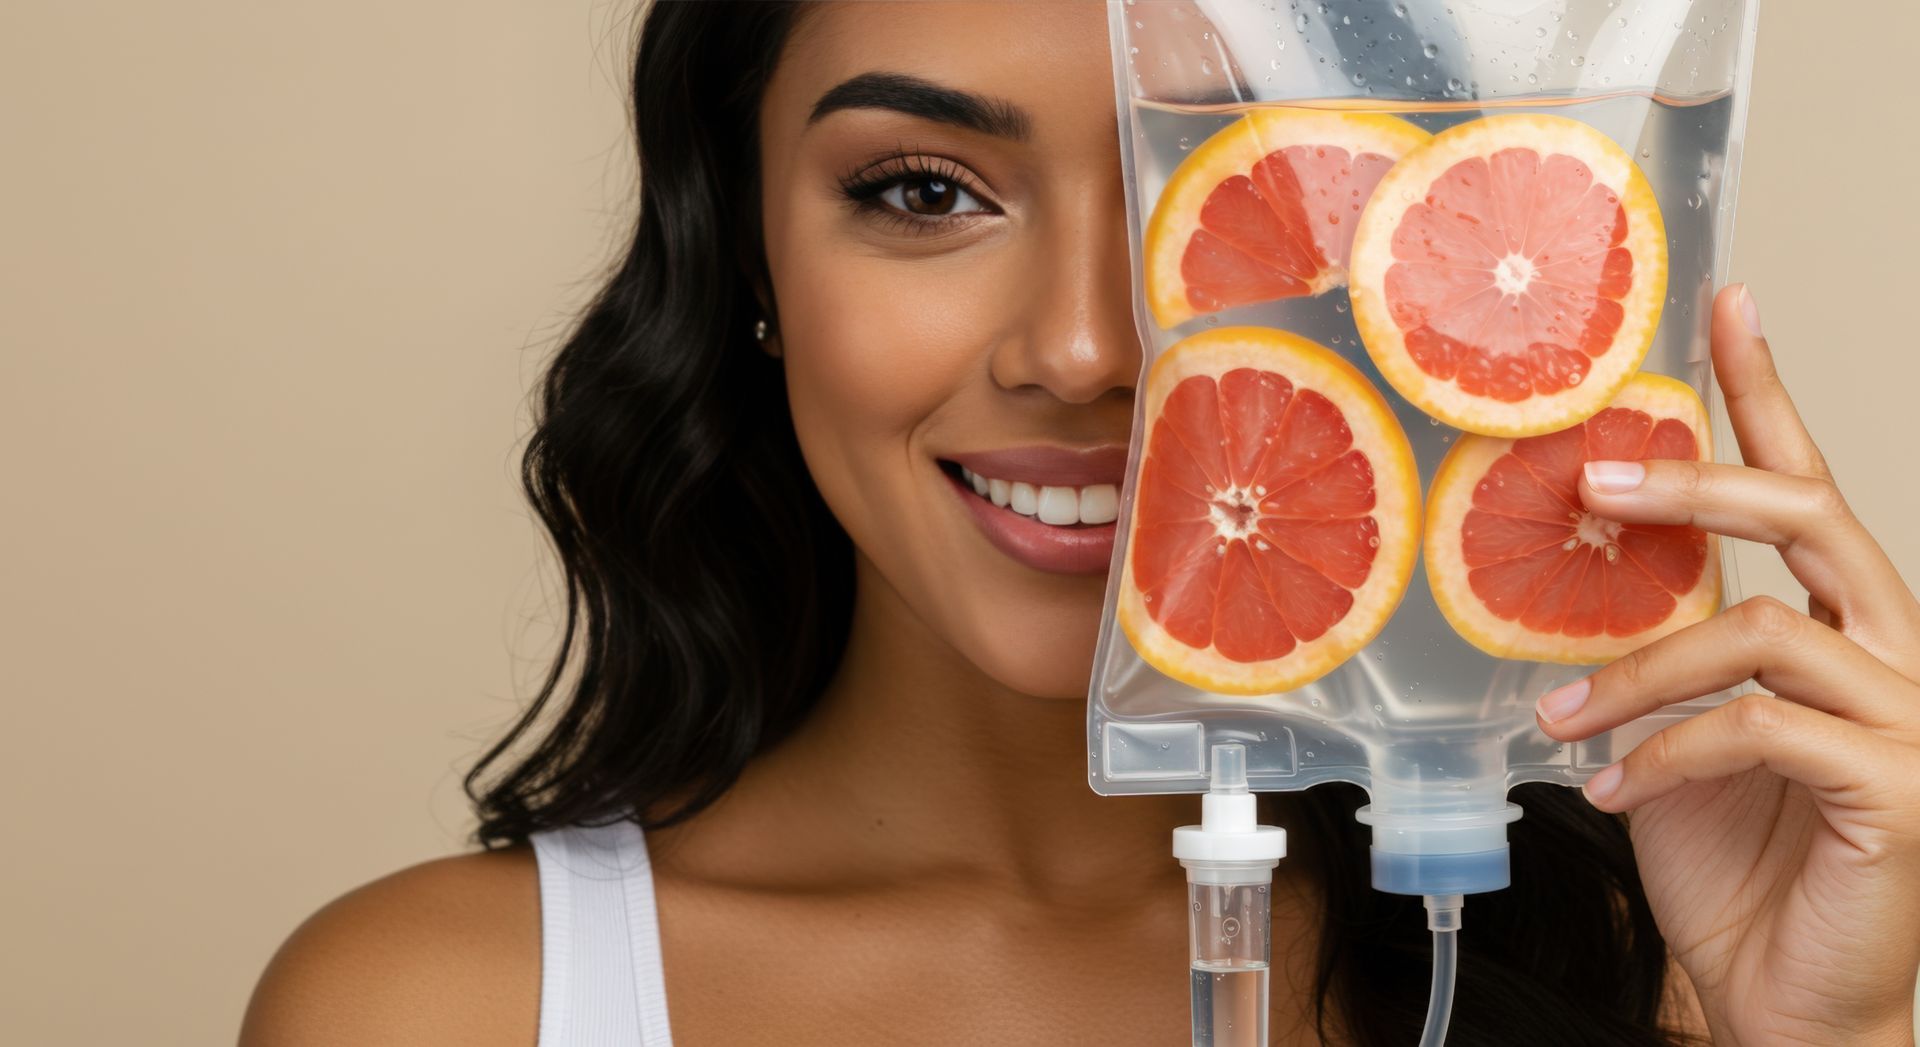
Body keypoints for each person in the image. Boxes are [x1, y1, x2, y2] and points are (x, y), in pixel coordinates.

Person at [238, 4, 1920, 1044]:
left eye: (1213, 175)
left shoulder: (1663, 985)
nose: (1087, 351)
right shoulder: (449, 1012)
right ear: (749, 263)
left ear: (1408, 245)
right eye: (923, 193)